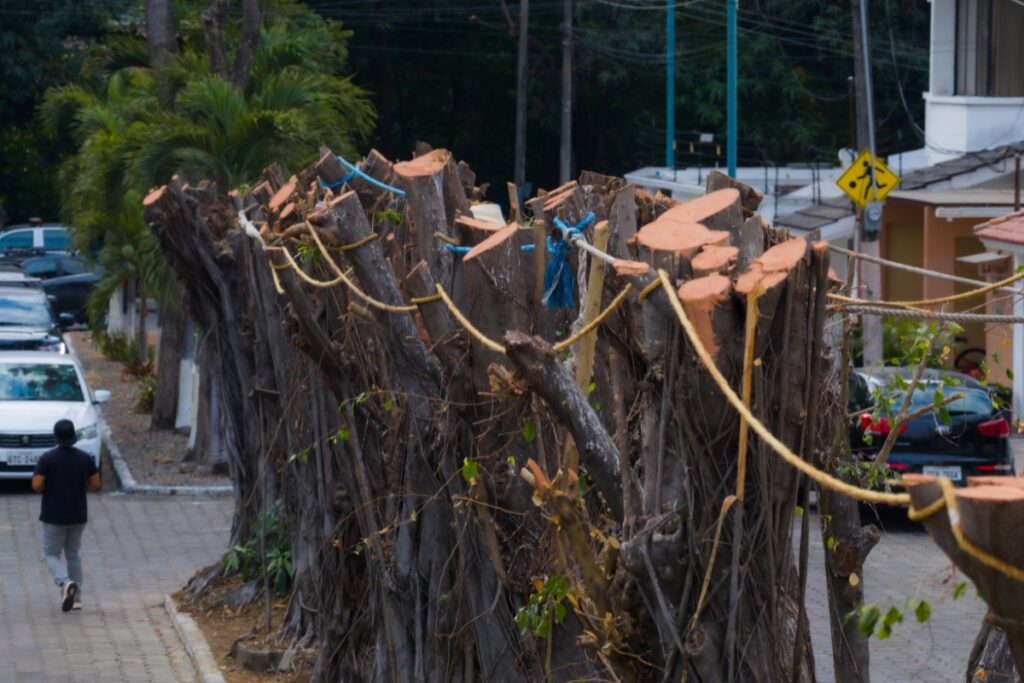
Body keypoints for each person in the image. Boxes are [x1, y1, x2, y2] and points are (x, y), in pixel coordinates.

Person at [31, 419, 100, 612]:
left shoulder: (47, 458)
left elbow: (36, 485)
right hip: (78, 514)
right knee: (73, 554)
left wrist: (49, 488)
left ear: (55, 437)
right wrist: (79, 489)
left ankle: (64, 581)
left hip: (54, 515)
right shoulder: (85, 458)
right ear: (74, 437)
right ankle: (77, 598)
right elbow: (95, 484)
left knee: (50, 554)